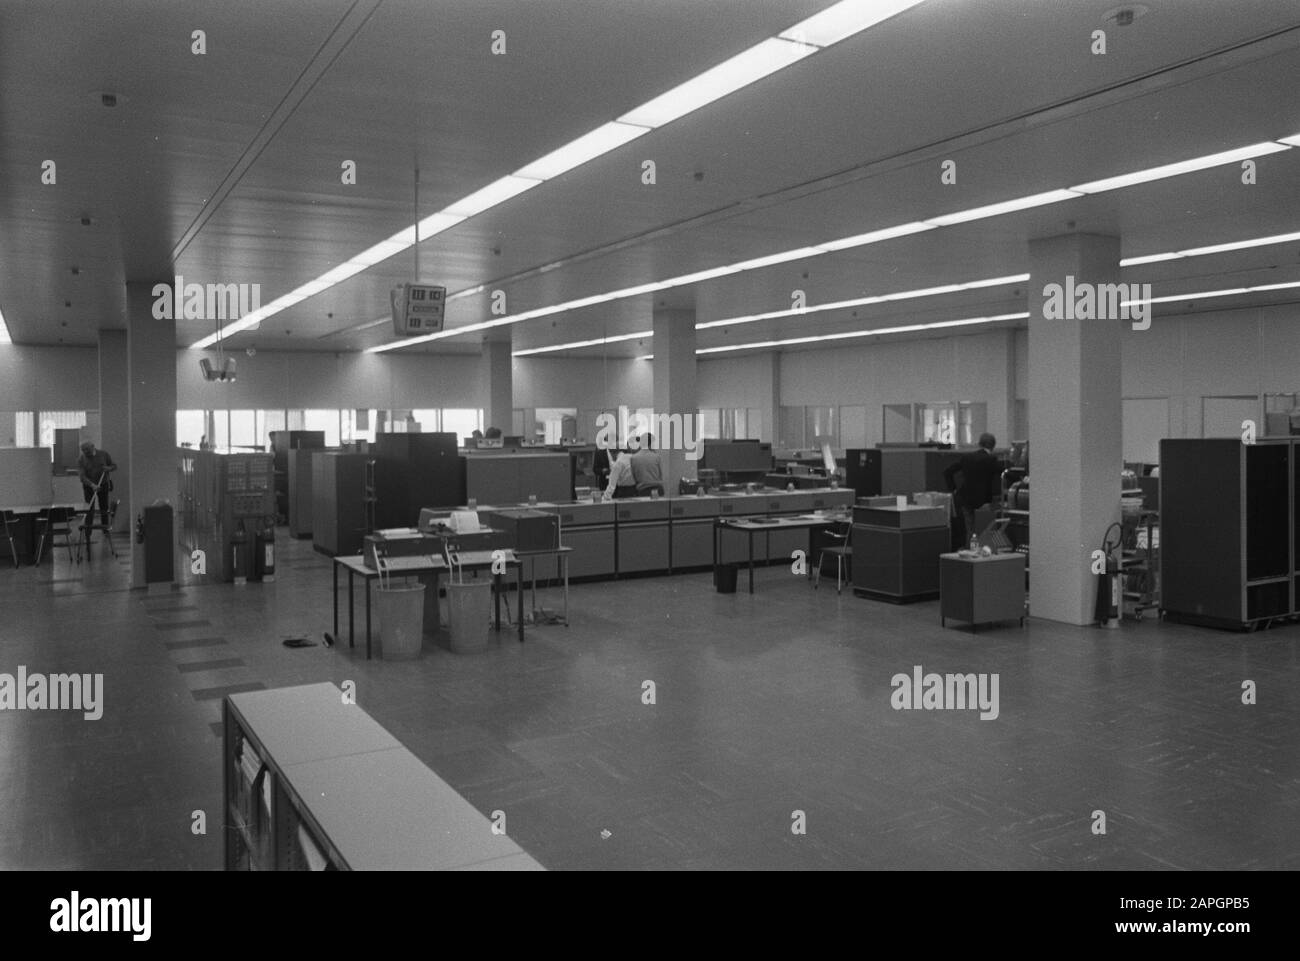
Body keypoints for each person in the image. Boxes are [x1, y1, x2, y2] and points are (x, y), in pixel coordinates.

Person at [943, 432, 1000, 546]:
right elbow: (1003, 473)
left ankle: (970, 554)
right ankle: (984, 553)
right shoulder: (991, 459)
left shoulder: (967, 457)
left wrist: (954, 489)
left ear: (979, 444)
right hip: (984, 501)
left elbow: (947, 471)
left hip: (966, 499)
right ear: (993, 446)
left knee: (970, 530)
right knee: (985, 529)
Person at [77, 440, 117, 532]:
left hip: (103, 484)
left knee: (104, 507)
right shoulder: (81, 459)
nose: (86, 452)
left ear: (93, 447)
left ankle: (105, 529)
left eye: (87, 449)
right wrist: (92, 485)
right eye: (83, 450)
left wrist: (108, 468)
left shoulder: (103, 454)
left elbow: (114, 466)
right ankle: (88, 530)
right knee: (89, 508)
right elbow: (82, 477)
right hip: (88, 486)